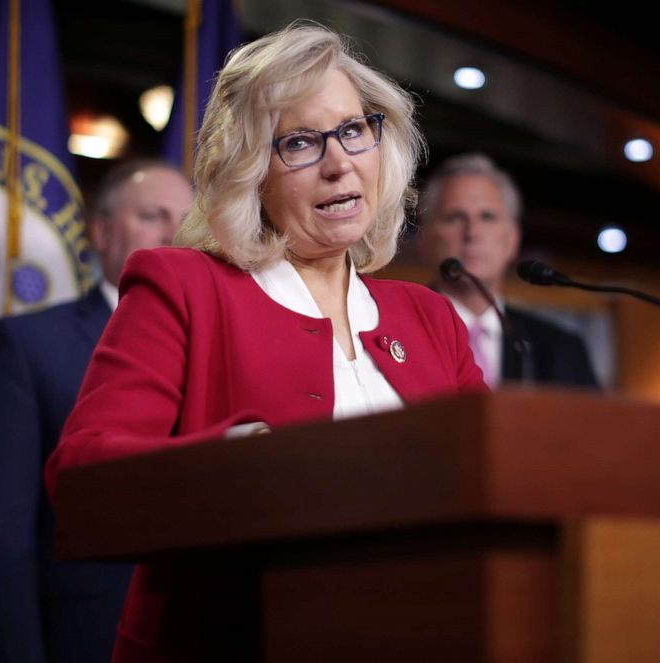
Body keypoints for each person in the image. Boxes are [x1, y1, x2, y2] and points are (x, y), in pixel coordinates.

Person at [44, 22, 486, 663]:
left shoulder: (430, 318)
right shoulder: (185, 287)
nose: (339, 162)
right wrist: (240, 461)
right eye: (300, 143)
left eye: (353, 130)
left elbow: (491, 478)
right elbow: (82, 476)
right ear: (252, 171)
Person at [0, 160, 194, 663]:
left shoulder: (215, 343)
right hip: (82, 640)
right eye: (152, 216)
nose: (174, 234)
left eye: (187, 221)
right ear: (101, 232)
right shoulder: (28, 345)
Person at [417, 153, 598, 388]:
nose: (473, 233)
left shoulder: (562, 349)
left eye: (488, 217)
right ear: (424, 239)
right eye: (455, 218)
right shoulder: (396, 333)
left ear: (513, 240)